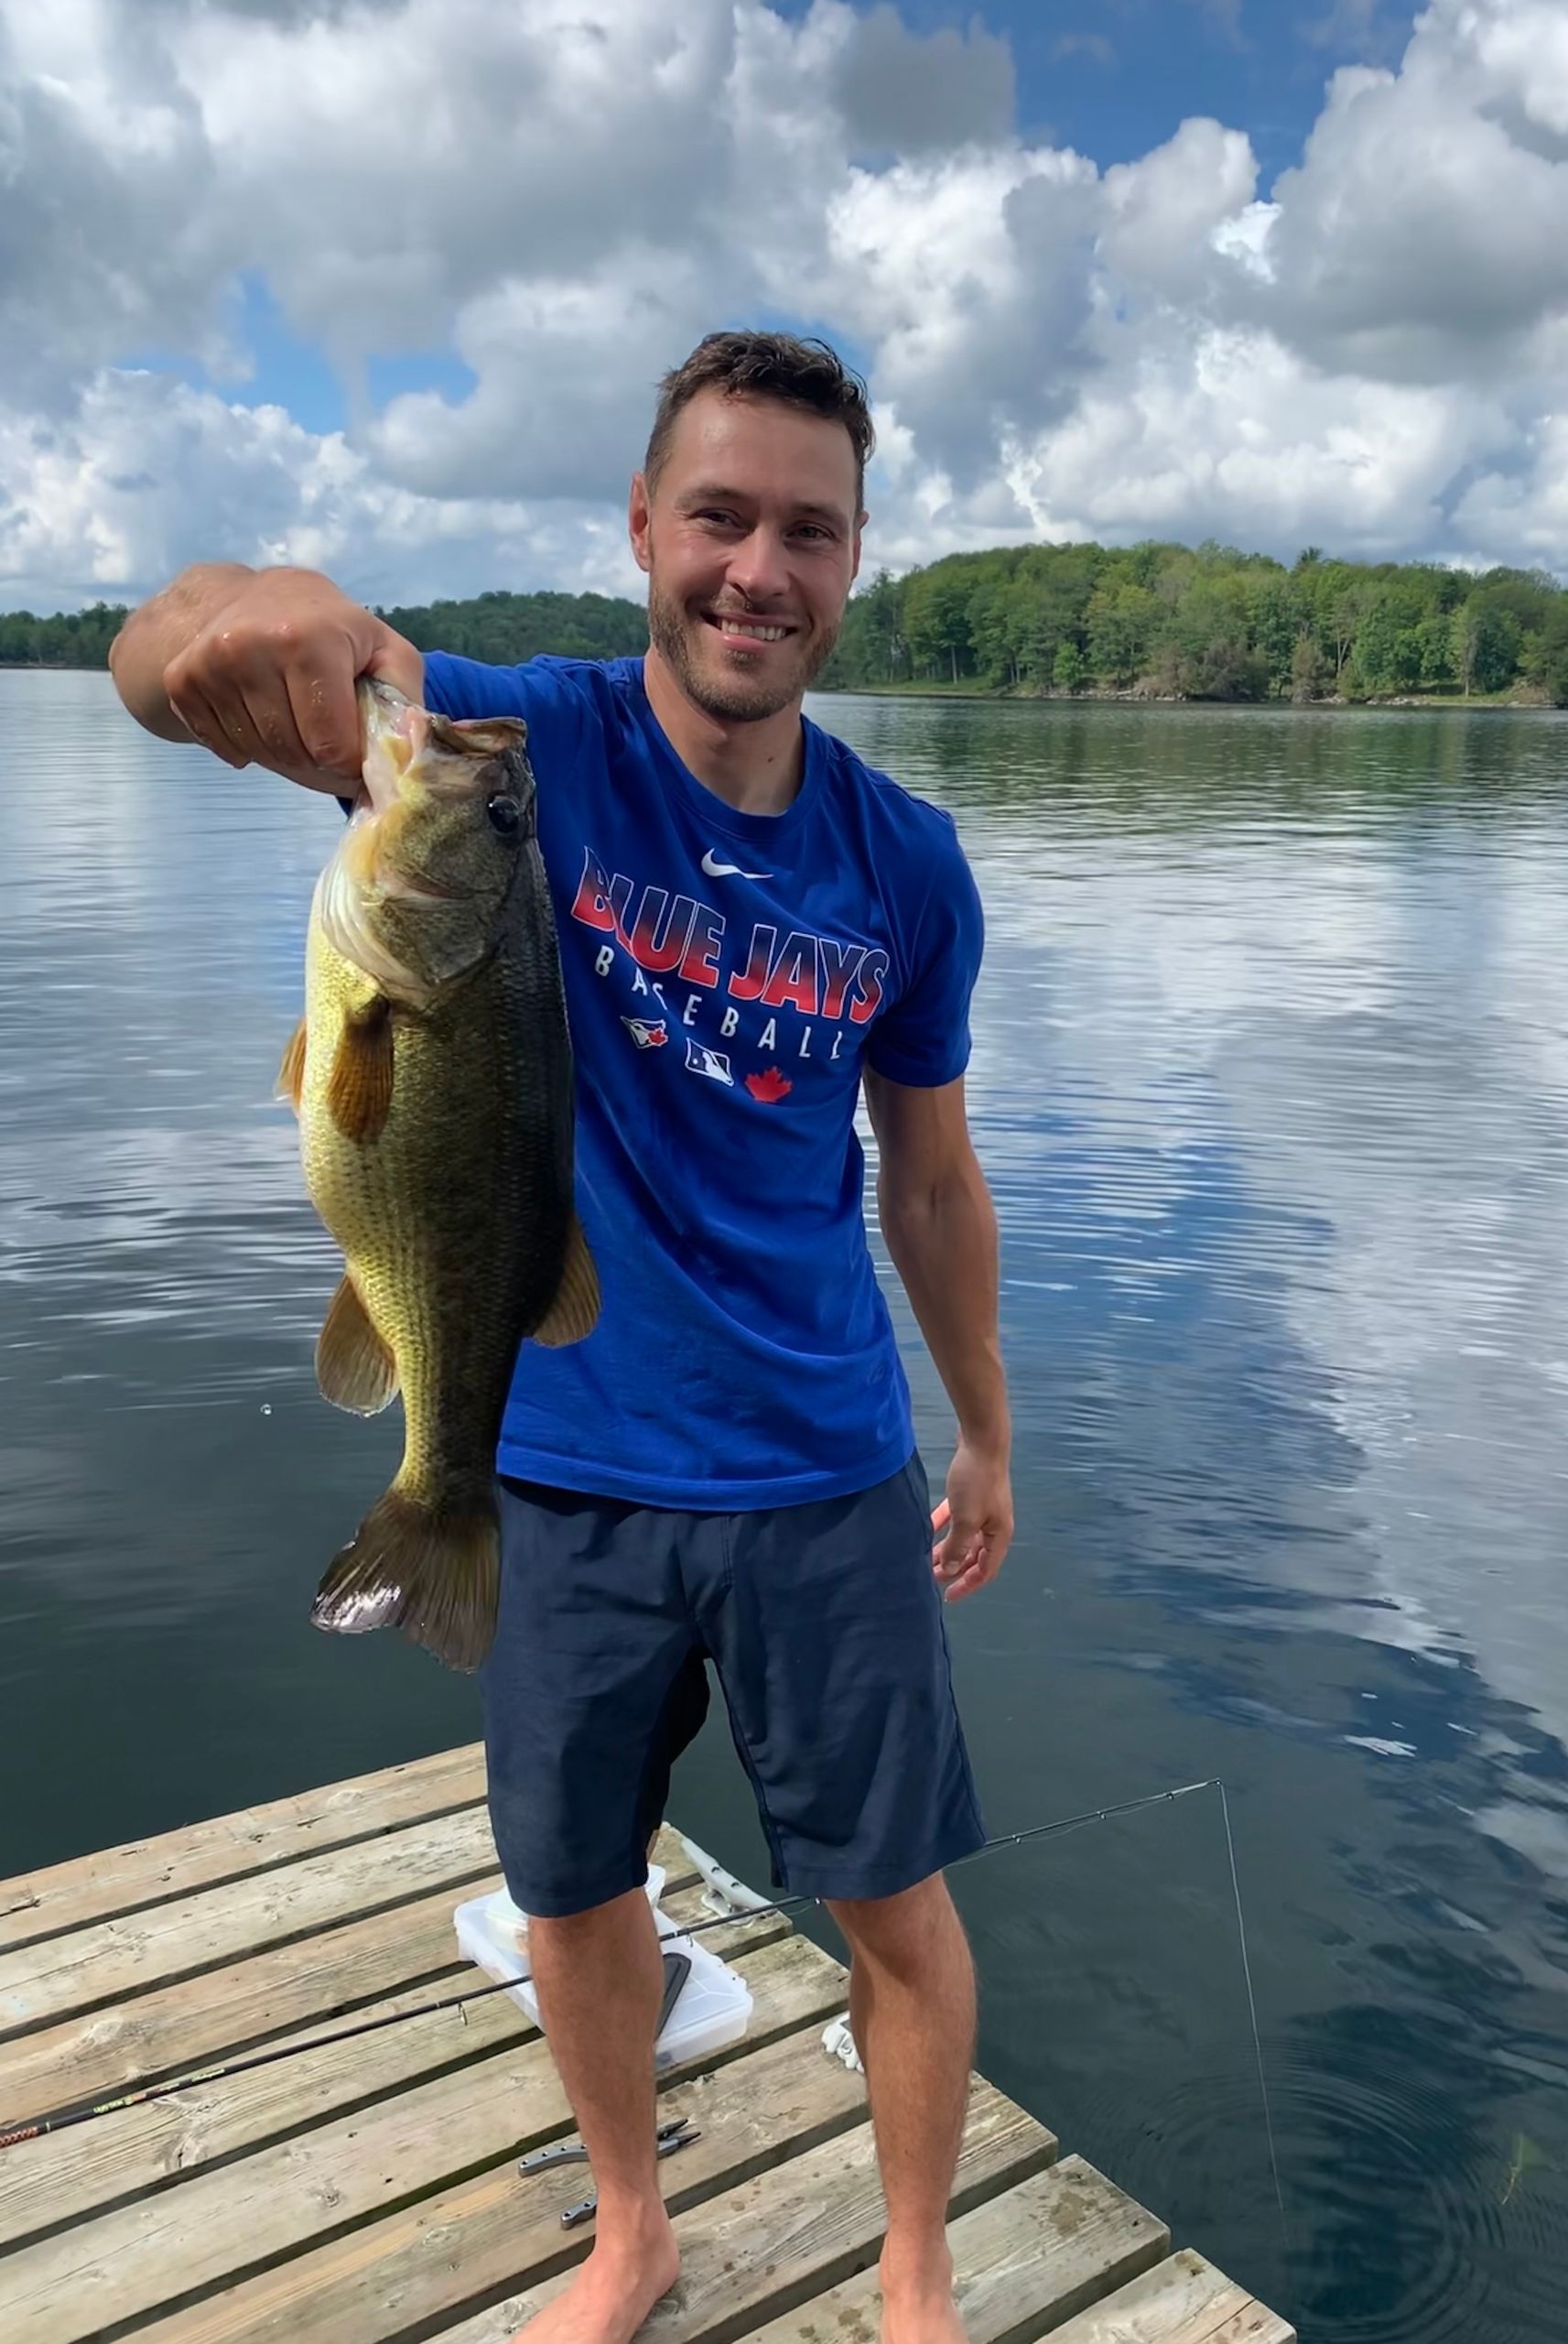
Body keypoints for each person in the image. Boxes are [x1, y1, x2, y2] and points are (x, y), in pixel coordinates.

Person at [110, 331, 1012, 2344]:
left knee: (896, 1896)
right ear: (641, 529)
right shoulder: (509, 756)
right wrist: (231, 616)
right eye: (720, 515)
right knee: (570, 1878)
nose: (757, 569)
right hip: (558, 1461)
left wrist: (987, 1434)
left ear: (854, 562)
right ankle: (633, 2224)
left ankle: (921, 2264)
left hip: (820, 1471)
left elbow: (934, 1184)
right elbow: (165, 657)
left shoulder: (908, 864)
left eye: (808, 529)